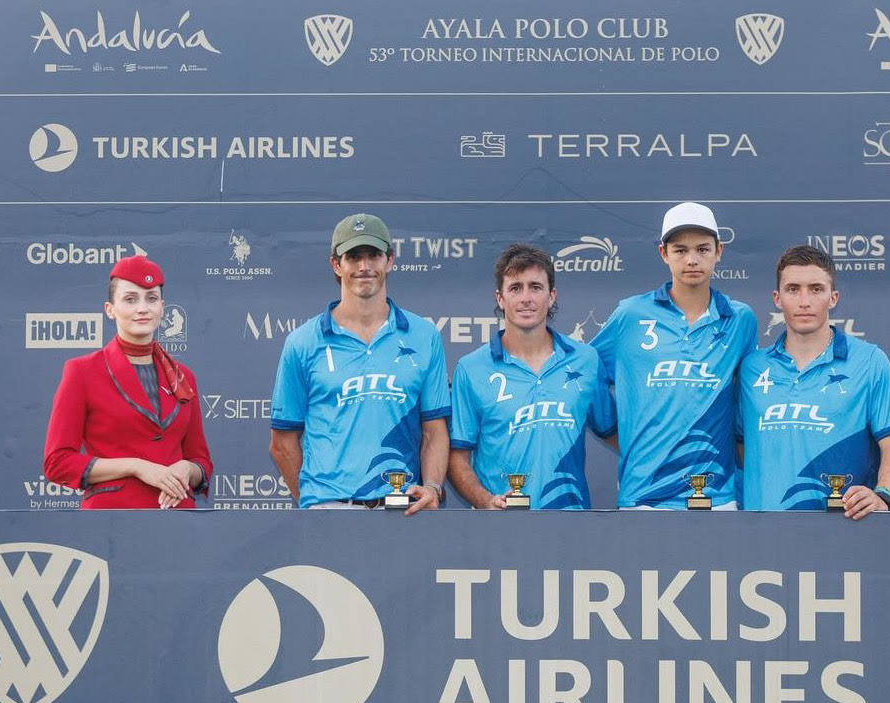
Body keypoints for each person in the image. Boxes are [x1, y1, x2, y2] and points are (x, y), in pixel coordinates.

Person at [269, 213, 450, 511]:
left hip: (402, 508)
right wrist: (314, 504)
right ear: (336, 265)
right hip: (329, 510)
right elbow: (282, 442)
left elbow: (434, 428)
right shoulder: (303, 342)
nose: (364, 267)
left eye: (373, 256)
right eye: (353, 257)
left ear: (390, 261)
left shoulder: (424, 335)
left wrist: (431, 487)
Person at [590, 202, 757, 509]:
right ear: (663, 254)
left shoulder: (740, 320)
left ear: (719, 251)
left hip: (716, 496)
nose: (692, 259)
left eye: (702, 249)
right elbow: (584, 374)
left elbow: (747, 401)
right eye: (680, 250)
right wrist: (617, 432)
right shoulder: (630, 315)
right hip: (643, 495)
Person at [737, 245, 890, 518]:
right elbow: (741, 445)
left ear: (833, 297)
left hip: (843, 531)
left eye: (816, 289)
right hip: (762, 531)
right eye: (793, 289)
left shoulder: (870, 360)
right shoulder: (751, 368)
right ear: (777, 298)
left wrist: (883, 495)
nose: (804, 301)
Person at [449, 244, 616, 509]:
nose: (526, 298)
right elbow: (457, 458)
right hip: (500, 528)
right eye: (515, 288)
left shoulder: (586, 360)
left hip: (571, 524)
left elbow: (615, 433)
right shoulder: (471, 369)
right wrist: (485, 501)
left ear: (551, 296)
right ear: (500, 298)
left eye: (535, 287)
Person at [43, 255, 212, 509]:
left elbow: (201, 460)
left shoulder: (183, 377)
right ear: (110, 309)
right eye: (130, 299)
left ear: (163, 307)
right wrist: (136, 467)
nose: (142, 308)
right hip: (110, 522)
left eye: (151, 298)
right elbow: (58, 462)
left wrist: (187, 469)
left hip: (178, 520)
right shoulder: (82, 371)